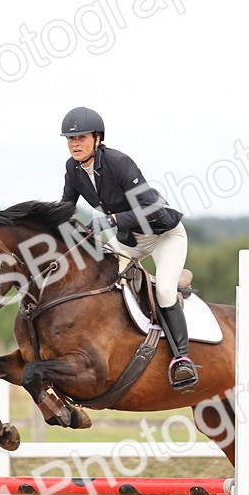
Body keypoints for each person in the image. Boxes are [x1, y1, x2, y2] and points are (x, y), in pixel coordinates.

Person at [58, 106, 198, 391]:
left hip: (163, 235)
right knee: (98, 277)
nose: (75, 144)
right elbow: (64, 208)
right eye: (70, 139)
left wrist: (111, 220)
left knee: (164, 291)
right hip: (130, 238)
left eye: (81, 137)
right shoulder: (73, 169)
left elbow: (152, 207)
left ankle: (182, 359)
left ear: (97, 138)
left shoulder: (119, 163)